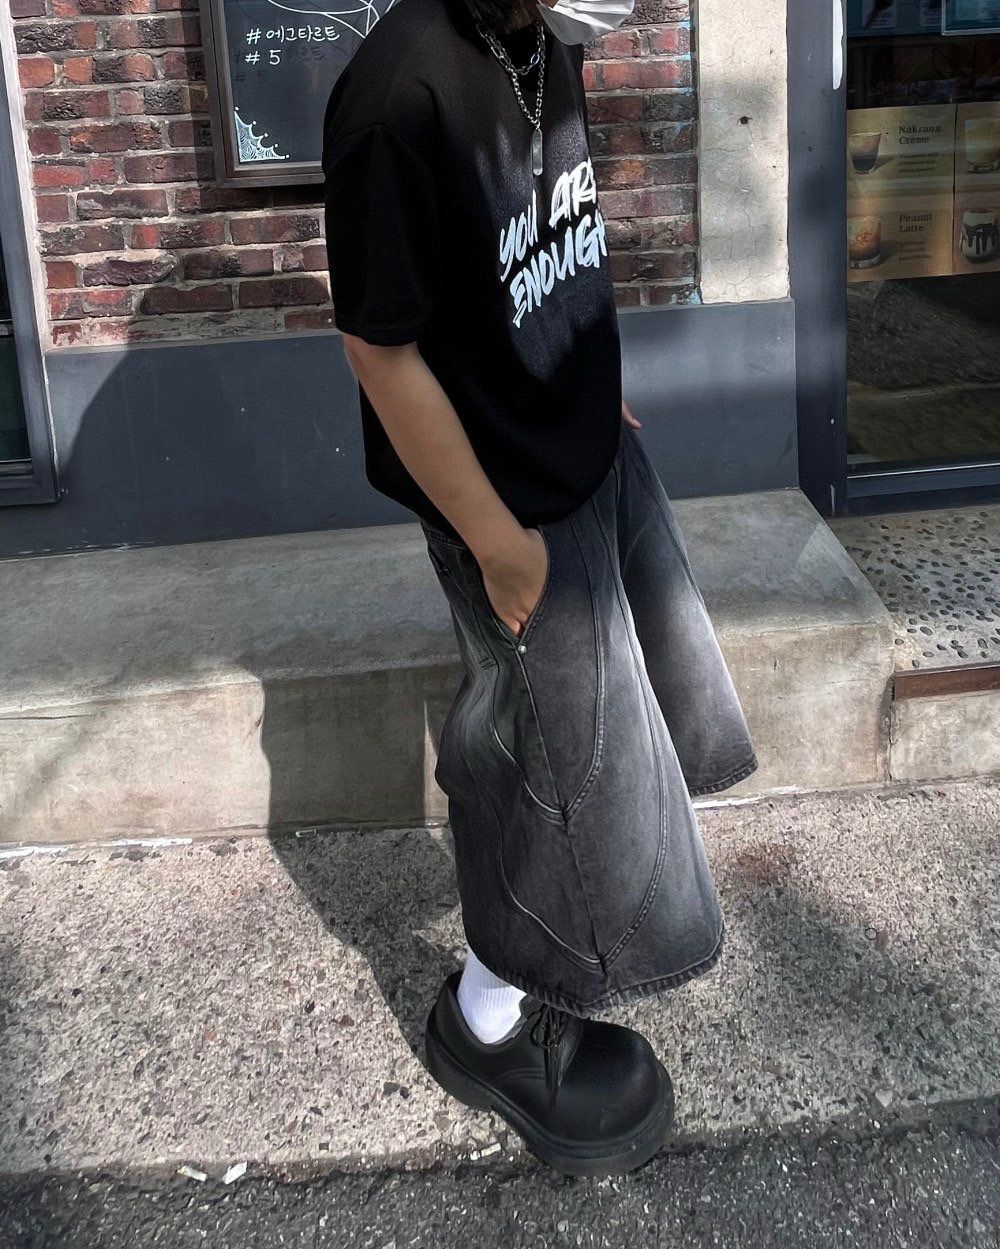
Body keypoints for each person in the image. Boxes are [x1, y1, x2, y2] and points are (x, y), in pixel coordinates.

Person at [322, 0, 758, 1177]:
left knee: (609, 745)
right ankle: (486, 1024)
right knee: (544, 767)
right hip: (505, 507)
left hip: (580, 449)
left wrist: (587, 380)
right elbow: (379, 350)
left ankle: (515, 993)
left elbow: (549, 232)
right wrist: (493, 537)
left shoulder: (537, 34)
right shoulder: (396, 96)